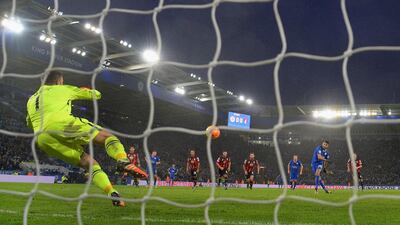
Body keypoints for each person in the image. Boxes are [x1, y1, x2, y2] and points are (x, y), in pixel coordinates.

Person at [26, 70, 147, 207]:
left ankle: (112, 192)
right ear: (58, 81)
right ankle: (123, 160)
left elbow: (29, 123)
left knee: (88, 163)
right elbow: (96, 95)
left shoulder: (31, 100)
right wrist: (87, 90)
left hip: (42, 139)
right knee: (107, 137)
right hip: (62, 124)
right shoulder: (63, 89)